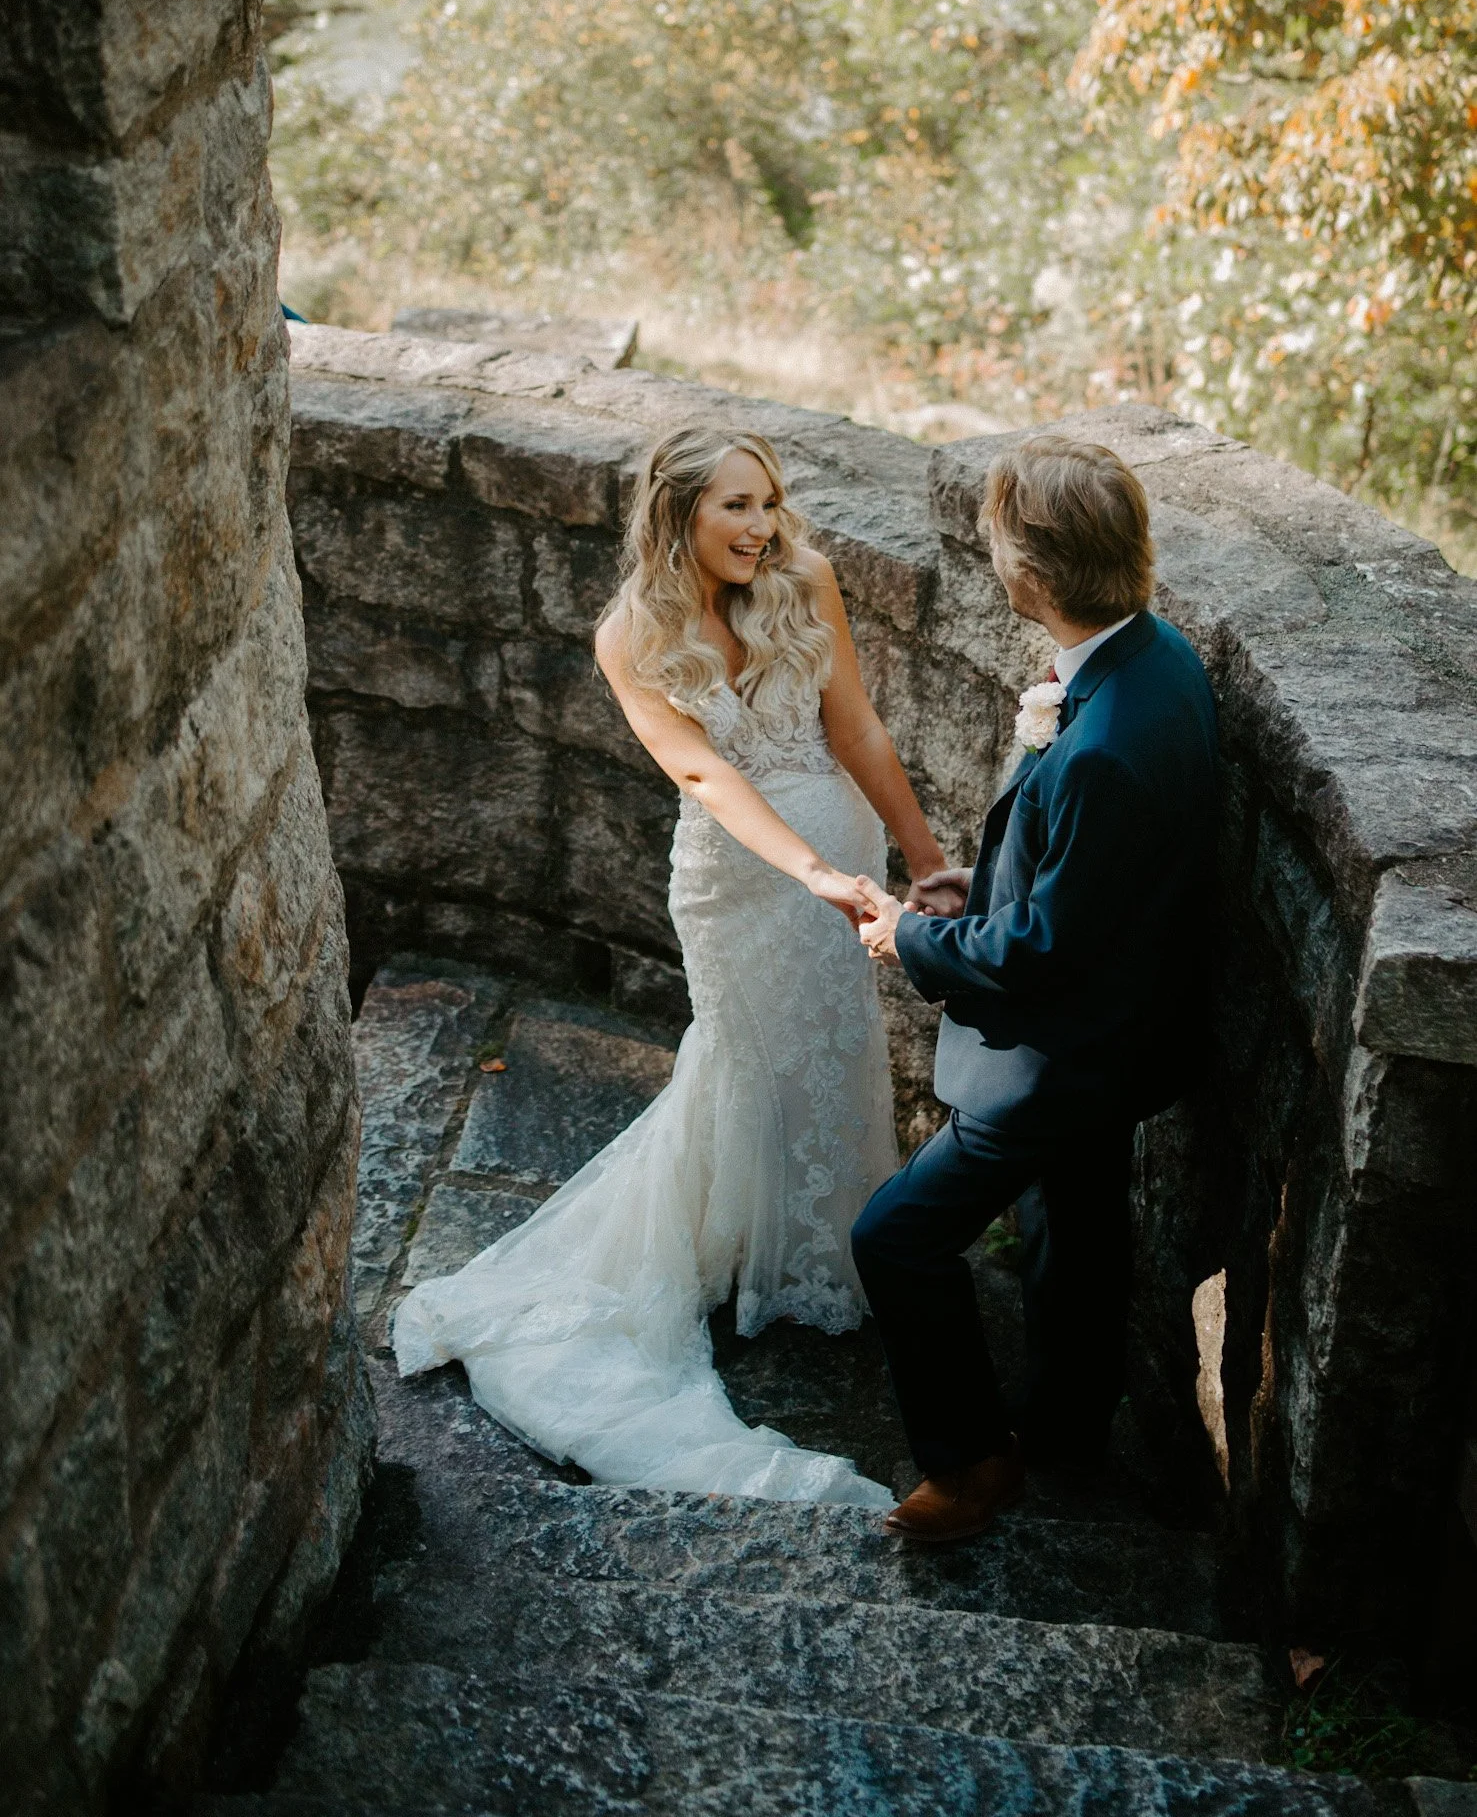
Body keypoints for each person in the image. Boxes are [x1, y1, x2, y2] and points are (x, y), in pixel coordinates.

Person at [394, 423, 950, 1503]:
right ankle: (729, 1245)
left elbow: (857, 731)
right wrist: (804, 870)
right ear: (677, 512)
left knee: (829, 1050)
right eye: (735, 505)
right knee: (744, 1058)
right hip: (737, 881)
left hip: (842, 854)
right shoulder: (629, 635)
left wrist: (923, 863)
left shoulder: (805, 579)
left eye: (767, 502)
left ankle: (821, 1253)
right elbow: (702, 773)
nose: (760, 526)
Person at [852, 434, 1218, 1543]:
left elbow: (1043, 952)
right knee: (1075, 1228)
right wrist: (987, 884)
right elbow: (1090, 879)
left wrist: (912, 939)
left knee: (896, 1237)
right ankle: (1066, 1431)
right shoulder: (1154, 658)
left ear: (1030, 573)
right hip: (1127, 1031)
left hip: (1060, 1057)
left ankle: (969, 1462)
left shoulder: (1101, 743)